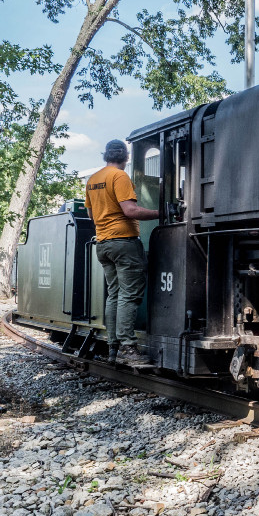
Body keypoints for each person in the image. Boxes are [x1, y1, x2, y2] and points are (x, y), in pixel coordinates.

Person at [84, 139, 159, 365]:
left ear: (105, 155)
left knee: (114, 294)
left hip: (103, 244)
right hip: (123, 243)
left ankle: (113, 346)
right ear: (126, 157)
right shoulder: (119, 177)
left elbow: (90, 216)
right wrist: (161, 213)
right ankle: (128, 347)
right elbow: (130, 210)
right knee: (129, 295)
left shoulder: (93, 179)